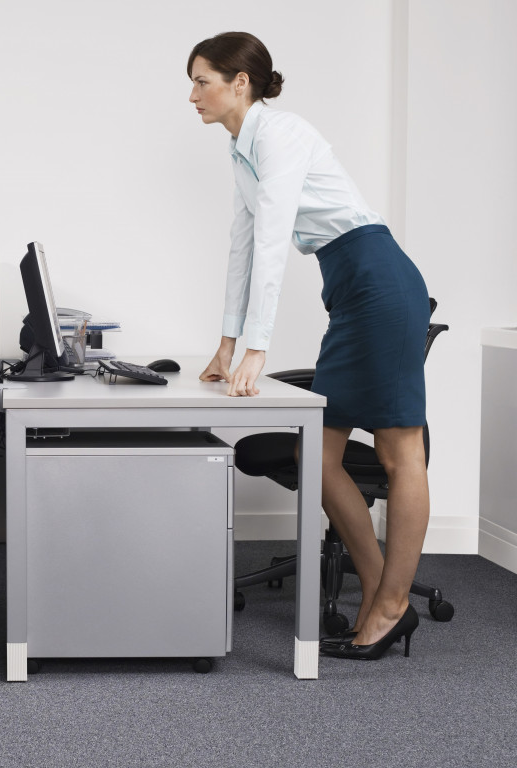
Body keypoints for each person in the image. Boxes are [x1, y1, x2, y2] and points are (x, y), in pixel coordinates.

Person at [188, 32, 431, 660]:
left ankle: (393, 604)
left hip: (378, 279)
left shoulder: (282, 135)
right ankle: (379, 589)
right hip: (351, 288)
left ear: (239, 82)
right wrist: (225, 343)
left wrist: (258, 350)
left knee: (399, 449)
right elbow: (243, 246)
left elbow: (273, 241)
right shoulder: (242, 149)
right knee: (316, 455)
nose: (192, 96)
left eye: (201, 81)